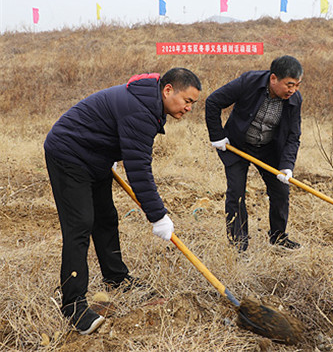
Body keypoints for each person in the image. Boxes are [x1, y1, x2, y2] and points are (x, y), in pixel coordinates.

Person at [44, 68, 201, 335]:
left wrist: (109, 149)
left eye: (192, 104)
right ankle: (73, 306)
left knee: (106, 218)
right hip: (68, 153)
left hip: (95, 156)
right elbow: (139, 169)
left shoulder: (148, 103)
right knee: (80, 225)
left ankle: (116, 278)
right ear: (168, 90)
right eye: (187, 101)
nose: (188, 108)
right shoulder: (140, 110)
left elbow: (125, 141)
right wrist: (158, 215)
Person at [205, 55, 304, 252]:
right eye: (289, 84)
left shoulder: (294, 100)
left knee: (281, 192)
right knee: (236, 193)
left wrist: (286, 166)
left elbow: (293, 136)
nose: (293, 90)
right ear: (273, 78)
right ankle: (238, 245)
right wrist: (217, 136)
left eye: (297, 85)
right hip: (237, 145)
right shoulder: (248, 82)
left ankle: (278, 237)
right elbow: (213, 101)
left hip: (269, 148)